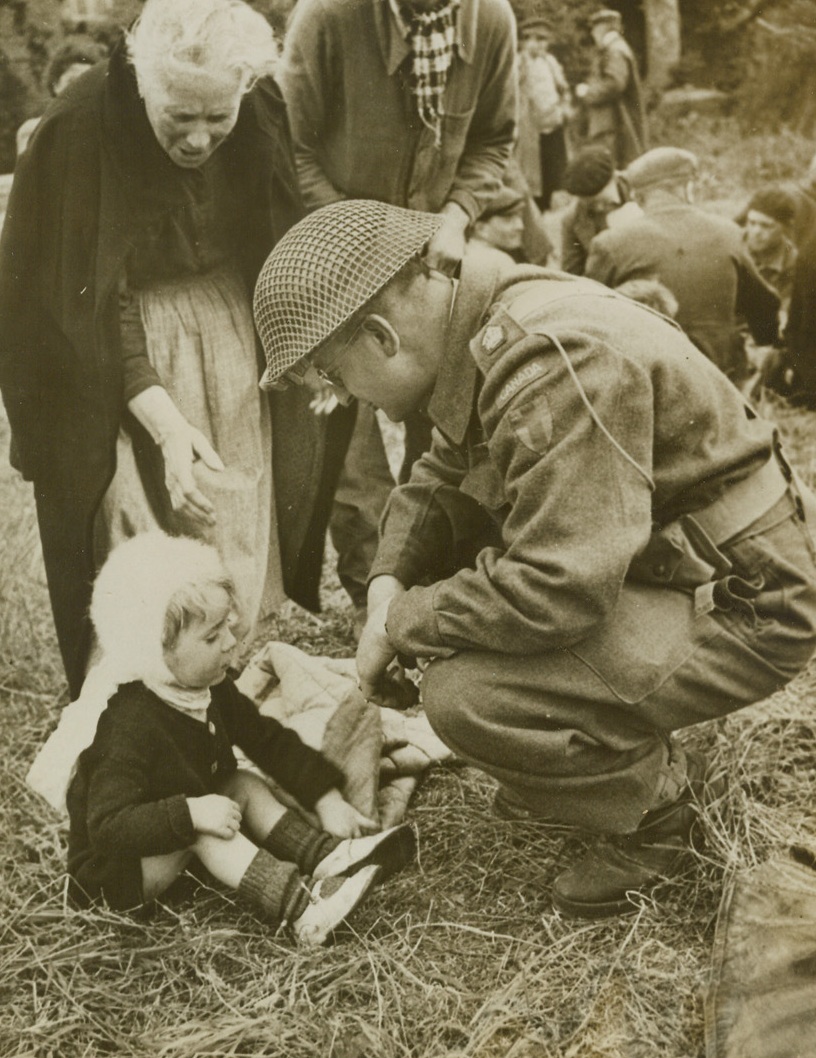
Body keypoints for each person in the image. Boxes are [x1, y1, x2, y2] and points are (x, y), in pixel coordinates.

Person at [252, 199, 816, 919]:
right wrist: (385, 591)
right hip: (686, 561)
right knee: (468, 603)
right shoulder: (484, 317)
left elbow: (559, 587)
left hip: (748, 601)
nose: (347, 400)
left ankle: (656, 821)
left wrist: (407, 622)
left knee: (467, 696)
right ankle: (606, 740)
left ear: (380, 334)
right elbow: (445, 474)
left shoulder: (548, 361)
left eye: (333, 379)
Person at [0, 0, 327, 699]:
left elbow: (276, 230)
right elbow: (89, 301)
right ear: (144, 82)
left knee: (229, 498)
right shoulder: (76, 132)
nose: (200, 137)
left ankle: (223, 663)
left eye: (219, 117)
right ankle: (137, 684)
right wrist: (166, 422)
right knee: (131, 512)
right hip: (113, 347)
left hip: (227, 317)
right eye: (180, 117)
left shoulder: (259, 103)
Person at [278, 0, 518, 629]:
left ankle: (436, 587)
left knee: (446, 426)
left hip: (430, 263)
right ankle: (373, 599)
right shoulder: (326, 18)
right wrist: (362, 239)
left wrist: (457, 216)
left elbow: (494, 141)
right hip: (329, 252)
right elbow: (291, 147)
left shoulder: (491, 21)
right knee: (347, 433)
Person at [66, 532, 416, 943]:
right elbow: (108, 826)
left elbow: (266, 740)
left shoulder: (208, 687)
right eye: (212, 637)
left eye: (227, 627)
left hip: (169, 838)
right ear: (157, 653)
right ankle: (303, 908)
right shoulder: (127, 726)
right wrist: (190, 814)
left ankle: (327, 855)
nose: (231, 643)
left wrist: (326, 798)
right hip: (115, 877)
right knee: (204, 829)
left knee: (242, 783)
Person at [586, 147, 780, 383]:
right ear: (686, 188)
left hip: (649, 376)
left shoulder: (609, 243)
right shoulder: (729, 232)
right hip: (720, 375)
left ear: (637, 196)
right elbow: (764, 303)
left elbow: (590, 319)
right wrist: (765, 343)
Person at [574, 8, 646, 168]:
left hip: (614, 123)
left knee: (611, 167)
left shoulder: (615, 51)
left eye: (594, 29)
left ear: (603, 28)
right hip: (611, 121)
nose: (593, 34)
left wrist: (588, 92)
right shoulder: (613, 49)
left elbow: (615, 84)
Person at [16, 34, 109, 158]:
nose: (80, 91)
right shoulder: (32, 131)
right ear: (55, 85)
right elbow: (25, 176)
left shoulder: (103, 133)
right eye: (71, 82)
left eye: (88, 84)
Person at [515, 15, 570, 212]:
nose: (538, 44)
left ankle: (548, 208)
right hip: (530, 128)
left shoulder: (550, 62)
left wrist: (564, 110)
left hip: (553, 124)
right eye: (533, 39)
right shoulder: (519, 63)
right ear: (525, 41)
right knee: (531, 175)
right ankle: (534, 210)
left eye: (542, 40)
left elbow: (564, 89)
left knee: (554, 174)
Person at [559, 145, 639, 274]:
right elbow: (572, 273)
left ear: (614, 176)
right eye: (591, 204)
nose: (599, 208)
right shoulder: (572, 219)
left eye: (602, 201)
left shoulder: (643, 191)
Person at [741, 186, 798, 321]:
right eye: (752, 223)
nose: (755, 232)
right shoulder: (733, 246)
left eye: (766, 226)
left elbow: (785, 313)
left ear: (785, 228)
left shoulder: (793, 262)